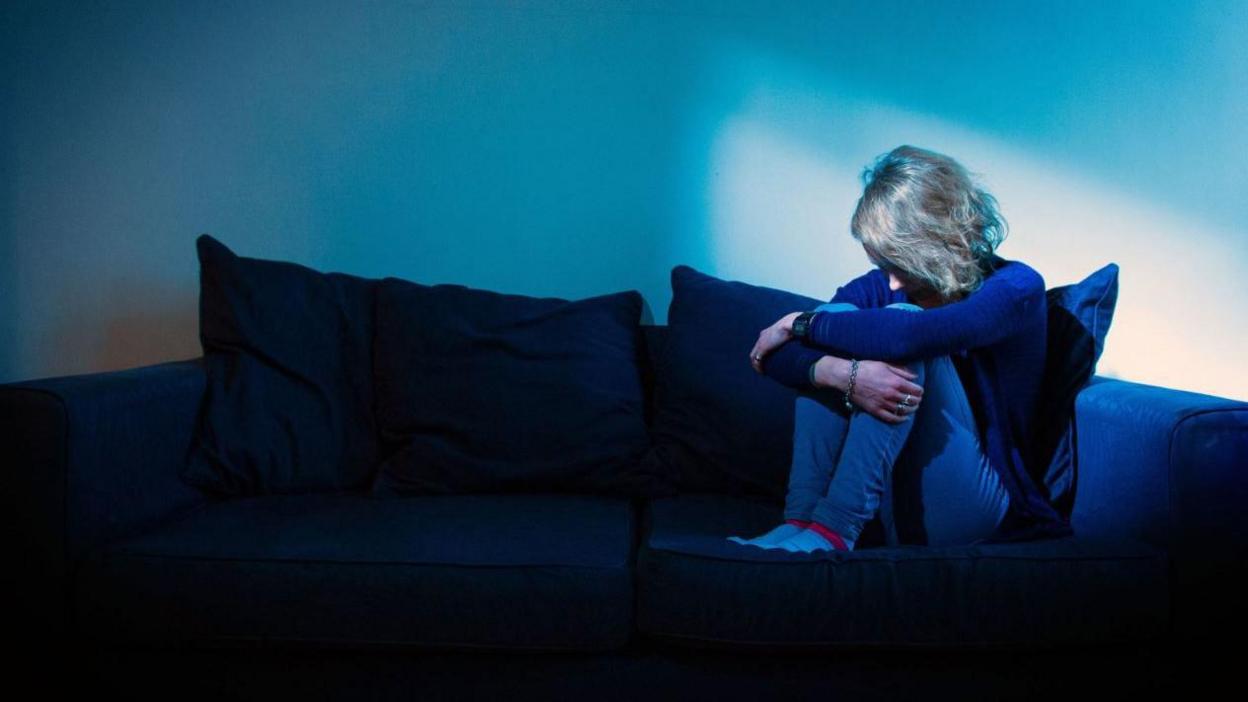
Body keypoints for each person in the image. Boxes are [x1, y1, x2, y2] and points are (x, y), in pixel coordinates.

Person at [727, 145, 1069, 553]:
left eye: (900, 264)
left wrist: (800, 321)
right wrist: (844, 376)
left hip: (980, 503)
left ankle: (833, 532)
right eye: (883, 265)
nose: (889, 282)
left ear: (936, 244)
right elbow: (777, 357)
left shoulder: (1014, 288)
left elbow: (908, 337)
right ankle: (801, 521)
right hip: (891, 499)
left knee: (893, 319)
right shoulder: (887, 284)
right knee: (840, 315)